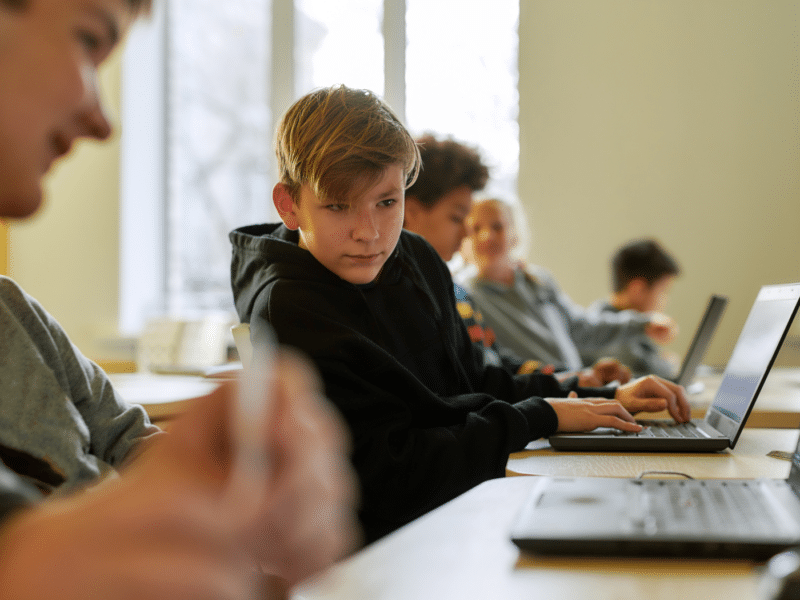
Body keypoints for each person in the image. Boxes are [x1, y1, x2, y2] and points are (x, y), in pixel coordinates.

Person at [0, 1, 359, 598]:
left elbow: (128, 439)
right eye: (88, 39)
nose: (102, 121)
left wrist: (229, 482)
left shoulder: (15, 312)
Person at [229, 84, 691, 545]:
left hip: (460, 509)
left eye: (387, 202)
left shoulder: (412, 256)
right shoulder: (288, 309)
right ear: (289, 205)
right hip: (386, 547)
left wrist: (593, 395)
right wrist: (540, 416)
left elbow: (472, 378)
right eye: (337, 206)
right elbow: (388, 479)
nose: (369, 232)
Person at [403, 134, 631, 386]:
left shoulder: (453, 292)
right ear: (410, 213)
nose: (469, 233)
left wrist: (577, 379)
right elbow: (468, 396)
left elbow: (496, 366)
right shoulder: (415, 296)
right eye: (458, 218)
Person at [464, 198, 678, 377]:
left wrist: (643, 324)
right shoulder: (467, 296)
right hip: (536, 397)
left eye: (497, 226)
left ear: (515, 234)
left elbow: (580, 328)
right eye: (477, 228)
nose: (486, 236)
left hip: (577, 389)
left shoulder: (538, 280)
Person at [586, 238, 681, 378]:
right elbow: (650, 371)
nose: (665, 300)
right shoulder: (606, 333)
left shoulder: (632, 324)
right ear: (638, 289)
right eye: (663, 291)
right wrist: (669, 363)